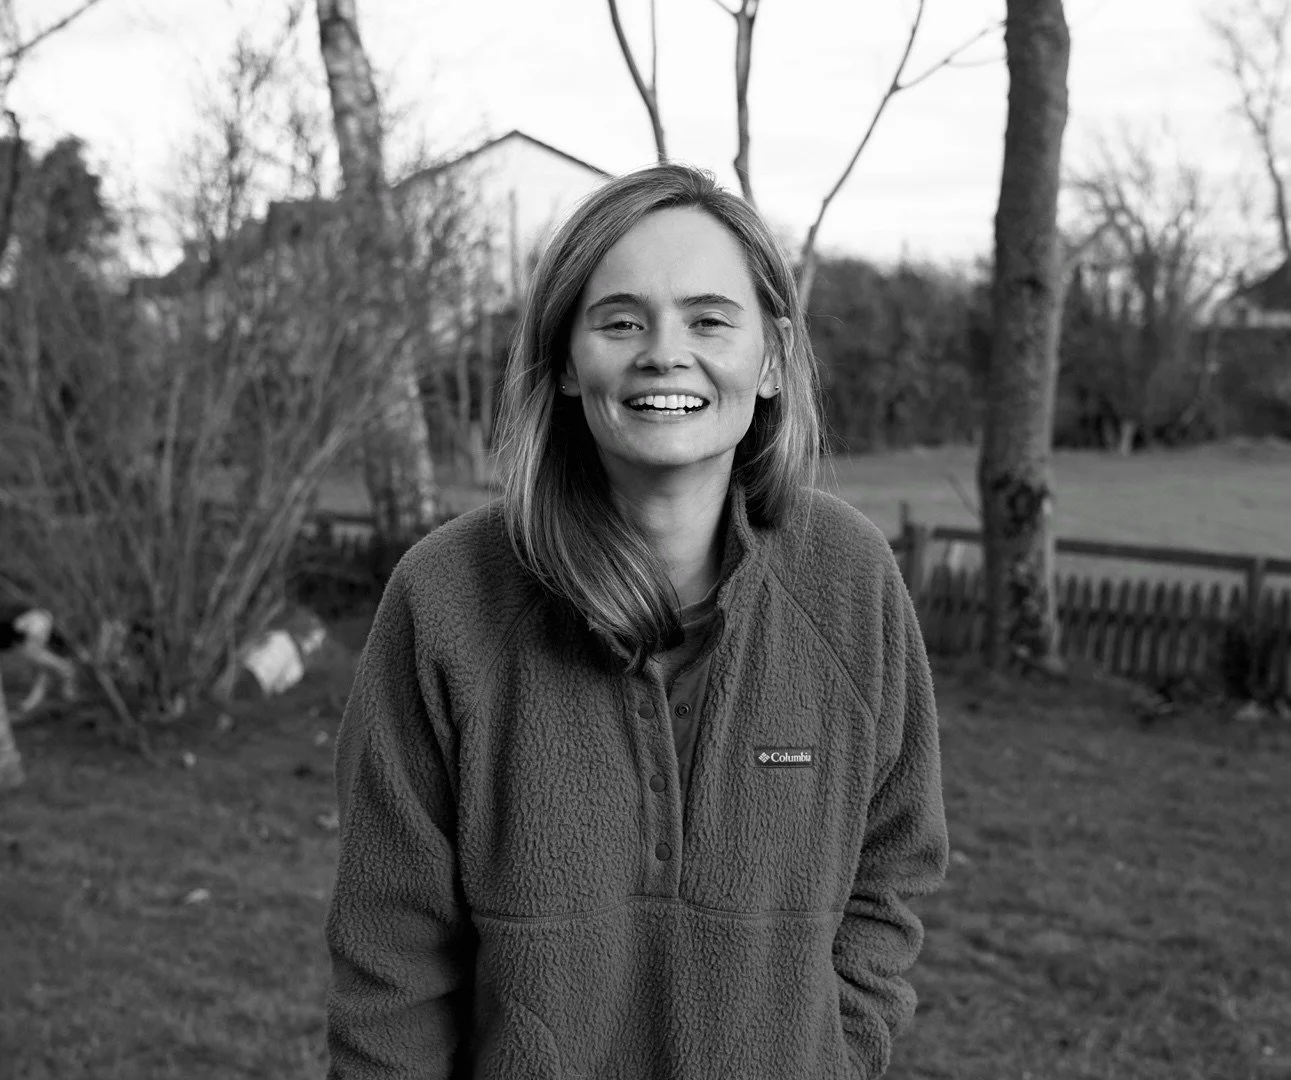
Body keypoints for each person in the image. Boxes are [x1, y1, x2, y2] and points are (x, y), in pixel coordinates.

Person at [325, 162, 948, 1080]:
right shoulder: (446, 598)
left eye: (707, 319)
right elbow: (389, 947)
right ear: (568, 364)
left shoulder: (846, 578)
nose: (664, 352)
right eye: (620, 321)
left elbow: (891, 865)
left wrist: (835, 1050)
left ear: (770, 358)